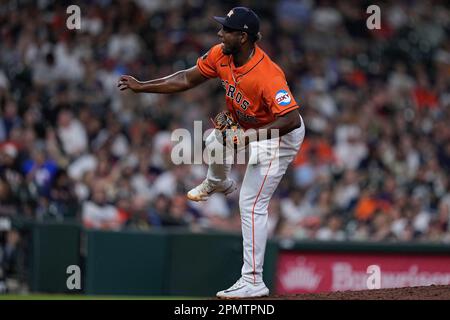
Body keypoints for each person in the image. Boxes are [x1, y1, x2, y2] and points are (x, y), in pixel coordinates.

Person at [118, 7, 305, 298]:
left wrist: (249, 137)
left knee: (251, 203)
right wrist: (143, 87)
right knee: (213, 139)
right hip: (253, 127)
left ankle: (253, 280)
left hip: (280, 138)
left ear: (243, 37)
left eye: (227, 30)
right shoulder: (221, 54)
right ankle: (218, 182)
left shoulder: (268, 74)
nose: (220, 33)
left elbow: (291, 118)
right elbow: (185, 79)